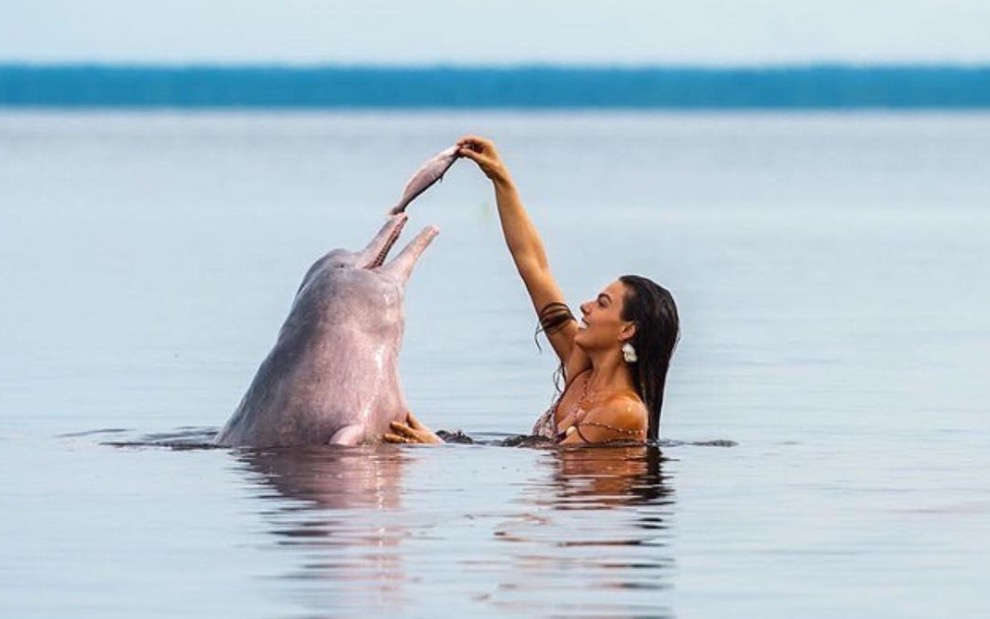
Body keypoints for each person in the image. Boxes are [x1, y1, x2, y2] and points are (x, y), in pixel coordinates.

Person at [384, 136, 679, 446]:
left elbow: (557, 458)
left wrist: (435, 445)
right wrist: (500, 178)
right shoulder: (581, 369)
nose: (585, 306)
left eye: (602, 304)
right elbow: (533, 265)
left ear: (627, 330)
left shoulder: (624, 410)